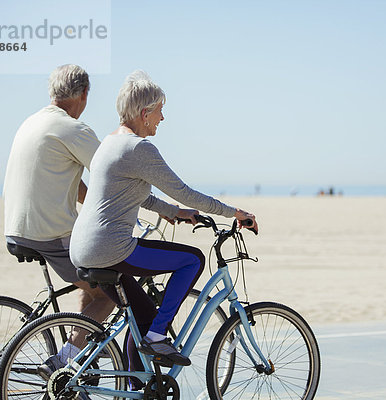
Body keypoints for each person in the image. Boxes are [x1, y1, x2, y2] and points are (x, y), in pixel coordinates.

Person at [69, 70, 258, 375]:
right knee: (192, 260)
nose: (162, 118)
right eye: (159, 111)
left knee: (142, 315)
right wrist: (234, 212)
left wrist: (173, 212)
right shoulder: (139, 149)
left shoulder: (110, 144)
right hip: (111, 248)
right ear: (145, 113)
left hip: (83, 247)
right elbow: (185, 192)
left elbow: (133, 195)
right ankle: (158, 337)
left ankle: (136, 384)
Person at [3, 64, 115, 378]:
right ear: (83, 95)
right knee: (110, 291)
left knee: (90, 282)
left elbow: (74, 185)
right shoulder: (72, 129)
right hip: (48, 233)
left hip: (16, 227)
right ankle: (65, 361)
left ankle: (79, 345)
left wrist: (95, 203)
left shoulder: (32, 122)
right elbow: (113, 172)